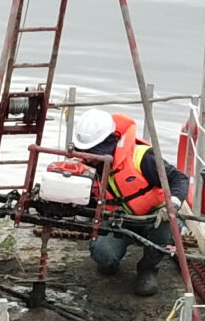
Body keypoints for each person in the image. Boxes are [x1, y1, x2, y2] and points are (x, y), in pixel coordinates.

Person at [69, 107, 193, 296]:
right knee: (103, 255)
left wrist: (173, 204)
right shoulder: (89, 164)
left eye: (93, 151)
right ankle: (111, 259)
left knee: (169, 230)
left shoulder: (141, 157)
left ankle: (148, 267)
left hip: (155, 218)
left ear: (108, 142)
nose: (89, 157)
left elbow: (179, 178)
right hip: (119, 220)